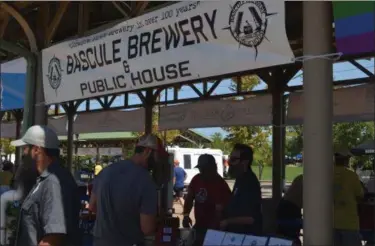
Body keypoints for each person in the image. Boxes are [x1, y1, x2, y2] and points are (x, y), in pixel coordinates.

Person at [89, 134, 167, 246]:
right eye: (158, 156)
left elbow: (92, 206)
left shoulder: (106, 171)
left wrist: (111, 218)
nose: (158, 161)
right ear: (148, 152)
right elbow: (147, 228)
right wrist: (159, 219)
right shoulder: (146, 181)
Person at [11, 125, 80, 246]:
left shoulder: (53, 182)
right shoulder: (44, 179)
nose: (24, 153)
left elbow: (53, 238)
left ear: (37, 150)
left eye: (26, 148)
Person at [183, 154, 232, 246]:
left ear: (213, 167)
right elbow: (189, 198)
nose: (202, 171)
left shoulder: (221, 184)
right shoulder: (196, 179)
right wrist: (186, 215)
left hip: (215, 229)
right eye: (200, 169)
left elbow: (224, 209)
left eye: (204, 169)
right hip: (200, 225)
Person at [220, 144, 263, 235]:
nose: (229, 162)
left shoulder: (250, 182)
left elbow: (251, 218)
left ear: (245, 162)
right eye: (229, 159)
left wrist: (227, 222)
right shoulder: (240, 179)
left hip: (247, 236)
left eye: (233, 159)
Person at [333, 150, 364, 246]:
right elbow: (360, 195)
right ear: (346, 159)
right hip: (349, 222)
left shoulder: (326, 174)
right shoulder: (352, 175)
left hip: (331, 222)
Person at [276, 174, 303, 245]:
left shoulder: (301, 177)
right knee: (291, 238)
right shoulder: (310, 180)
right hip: (291, 209)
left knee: (286, 237)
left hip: (285, 206)